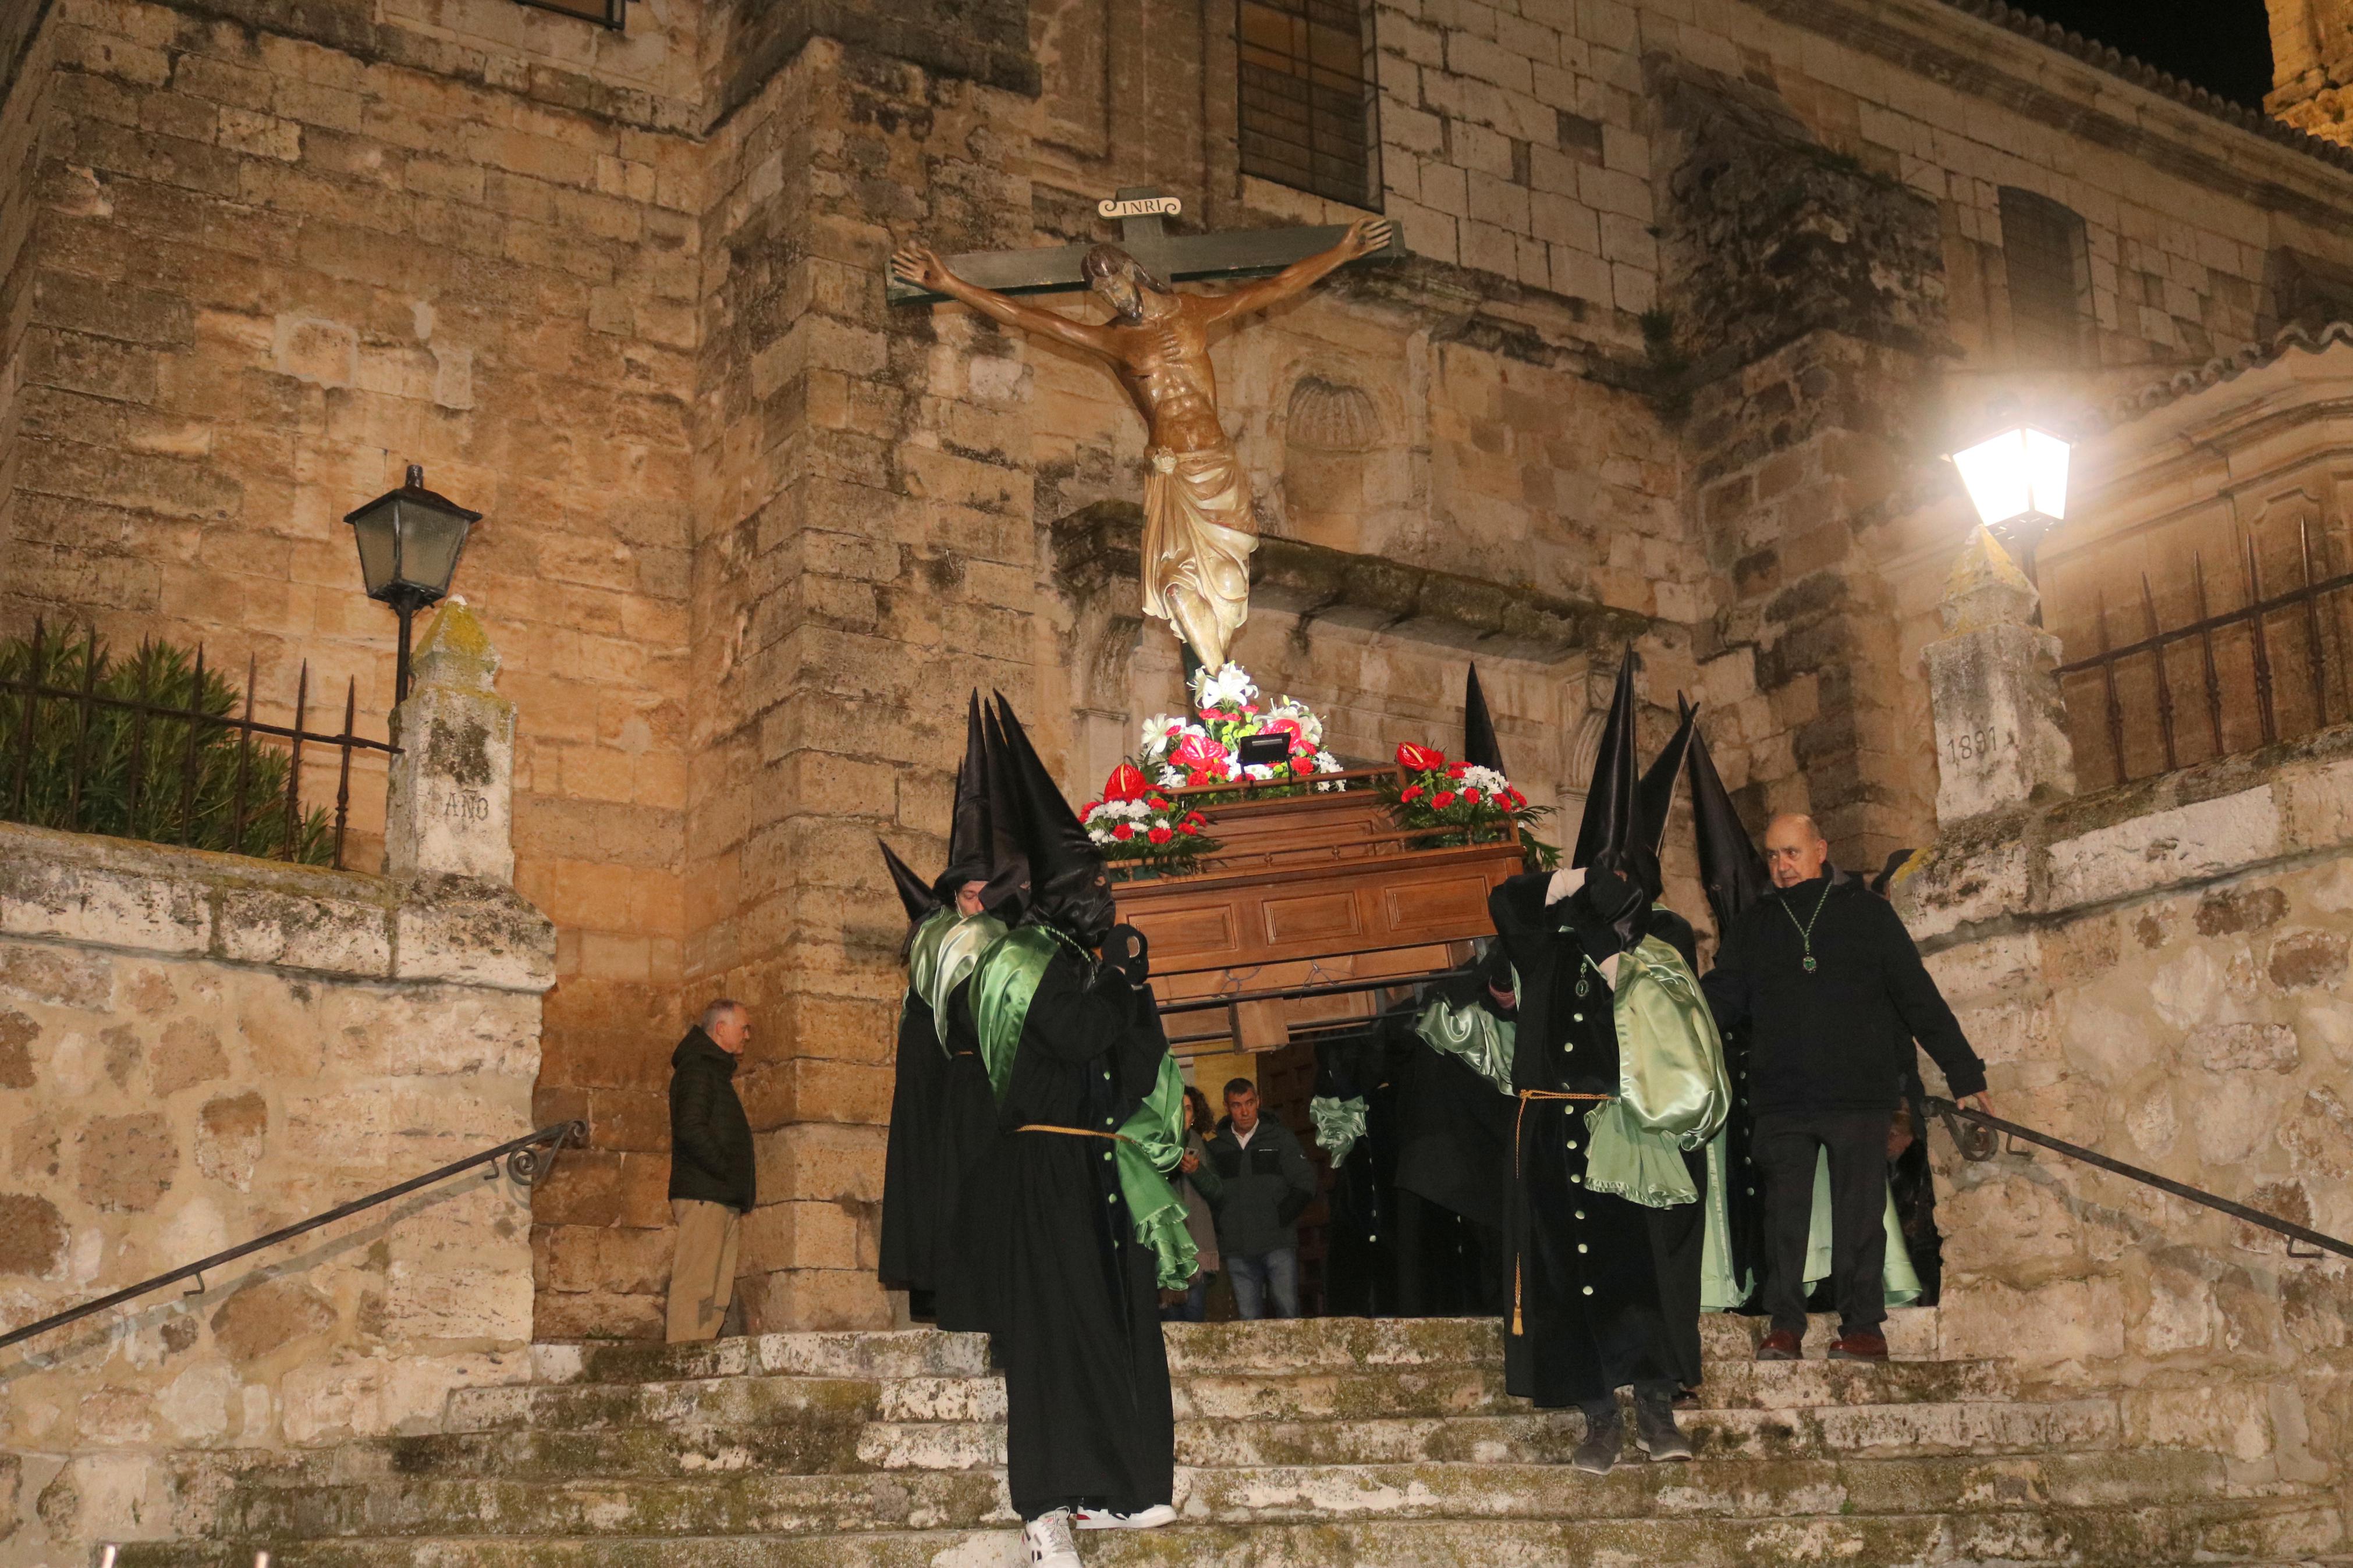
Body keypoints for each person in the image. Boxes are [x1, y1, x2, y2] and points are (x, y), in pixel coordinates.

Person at [1481, 651, 1730, 1475]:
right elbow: (1505, 899)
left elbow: (1662, 1016)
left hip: (1631, 1128)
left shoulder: (1663, 940)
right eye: (1604, 869)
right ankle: (1596, 1414)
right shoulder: (1545, 931)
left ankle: (1655, 1403)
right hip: (1552, 1126)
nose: (1613, 879)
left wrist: (1617, 928)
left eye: (1626, 869)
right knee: (1568, 1272)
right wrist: (1572, 883)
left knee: (1641, 1264)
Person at [952, 696, 1184, 1566]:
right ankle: (1044, 1507)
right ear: (1051, 896)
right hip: (1042, 1168)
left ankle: (1121, 1488)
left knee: (1116, 1326)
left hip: (1100, 1168)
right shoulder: (1016, 963)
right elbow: (1078, 1033)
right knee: (1054, 1338)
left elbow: (1132, 1054)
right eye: (1091, 887)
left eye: (1107, 883)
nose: (1105, 897)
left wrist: (1133, 990)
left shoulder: (1090, 965)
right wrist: (1120, 981)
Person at [1700, 812, 1993, 1364]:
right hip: (1781, 1097)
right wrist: (1670, 1029)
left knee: (1859, 1217)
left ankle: (1863, 1327)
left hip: (1857, 1092)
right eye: (1772, 855)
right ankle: (1784, 1325)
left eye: (1791, 852)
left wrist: (1964, 1073)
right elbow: (1719, 1001)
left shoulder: (1866, 915)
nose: (1782, 865)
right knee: (1782, 1219)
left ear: (1819, 850)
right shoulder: (1753, 924)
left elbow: (1916, 996)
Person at [877, 694, 1019, 1323]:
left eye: (985, 888)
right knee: (946, 1186)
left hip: (984, 1089)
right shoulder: (936, 945)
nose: (977, 899)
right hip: (950, 1083)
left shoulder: (1008, 942)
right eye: (967, 889)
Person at [666, 998, 757, 1344]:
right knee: (697, 1283)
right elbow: (690, 1128)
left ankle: (700, 1354)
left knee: (716, 1289)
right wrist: (724, 1169)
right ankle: (682, 1361)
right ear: (721, 1028)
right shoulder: (697, 1069)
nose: (747, 1036)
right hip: (706, 1192)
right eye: (743, 1027)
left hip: (719, 1192)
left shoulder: (710, 1070)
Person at [1203, 1079, 1319, 1320]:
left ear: (1258, 1102)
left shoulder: (1280, 1139)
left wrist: (1281, 1217)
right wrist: (1222, 1224)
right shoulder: (1216, 1149)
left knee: (1288, 1311)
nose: (1244, 1111)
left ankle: (1294, 1357)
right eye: (1237, 1105)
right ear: (1227, 1106)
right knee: (1249, 1320)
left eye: (1249, 1103)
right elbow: (1209, 1192)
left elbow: (1306, 1182)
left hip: (1278, 1242)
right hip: (1237, 1245)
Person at [1163, 1085, 1223, 1322]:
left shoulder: (1201, 1148)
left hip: (1196, 1250)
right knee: (1168, 1322)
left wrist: (1197, 1172)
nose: (1183, 1113)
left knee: (1194, 1319)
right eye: (1177, 1108)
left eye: (1188, 1109)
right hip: (1166, 1250)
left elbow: (1218, 1194)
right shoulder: (1154, 1148)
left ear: (1194, 1116)